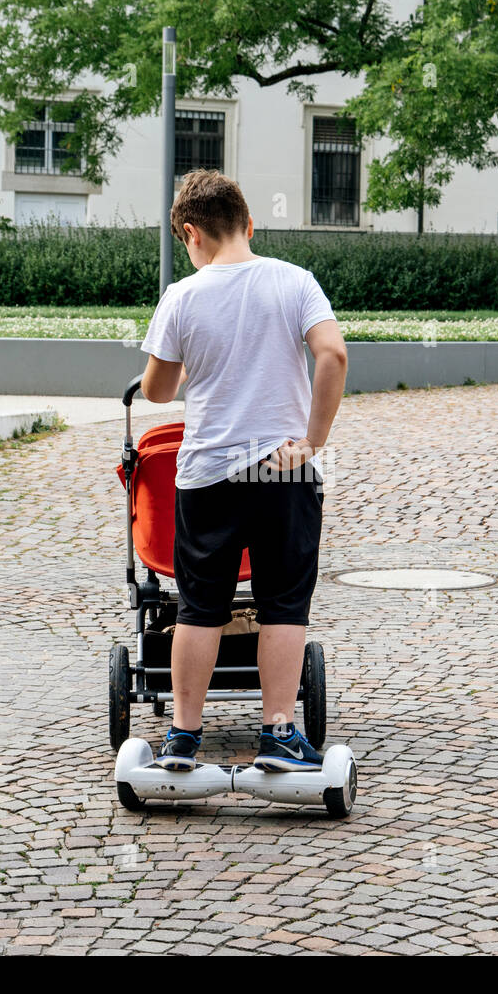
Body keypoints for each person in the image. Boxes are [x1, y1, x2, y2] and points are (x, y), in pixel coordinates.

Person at [139, 169, 348, 772]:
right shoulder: (295, 281)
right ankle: (279, 733)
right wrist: (312, 441)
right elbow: (332, 354)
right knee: (284, 601)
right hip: (282, 469)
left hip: (208, 472)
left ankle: (182, 736)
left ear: (189, 233)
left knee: (199, 606)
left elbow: (157, 390)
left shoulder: (182, 296)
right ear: (249, 224)